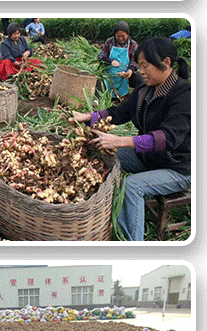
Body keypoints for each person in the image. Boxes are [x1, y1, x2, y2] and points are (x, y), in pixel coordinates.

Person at [74, 36, 190, 241]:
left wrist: (119, 140)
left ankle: (132, 244)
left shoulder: (184, 94)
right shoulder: (145, 90)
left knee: (132, 186)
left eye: (145, 66)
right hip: (149, 158)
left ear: (166, 63)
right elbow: (118, 112)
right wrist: (88, 118)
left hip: (178, 167)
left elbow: (166, 139)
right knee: (100, 149)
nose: (141, 71)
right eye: (139, 66)